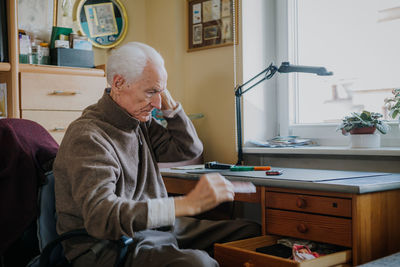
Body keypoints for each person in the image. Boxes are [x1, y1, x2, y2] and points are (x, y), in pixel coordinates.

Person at [54, 42, 260, 267]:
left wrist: (169, 106)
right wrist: (185, 204)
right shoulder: (88, 135)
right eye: (151, 92)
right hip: (108, 244)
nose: (157, 102)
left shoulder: (139, 121)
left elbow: (188, 149)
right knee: (198, 264)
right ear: (119, 82)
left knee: (251, 233)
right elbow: (101, 217)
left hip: (155, 229)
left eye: (160, 92)